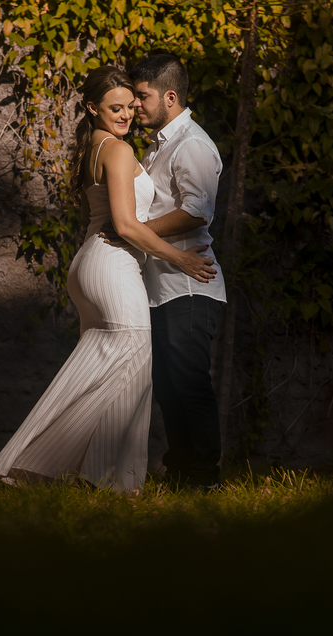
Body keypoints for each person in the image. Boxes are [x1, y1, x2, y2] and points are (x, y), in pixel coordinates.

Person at [0, 66, 216, 493]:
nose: (127, 115)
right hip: (112, 263)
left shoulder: (94, 146)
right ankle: (35, 463)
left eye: (131, 107)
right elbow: (127, 226)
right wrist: (181, 260)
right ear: (93, 108)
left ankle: (109, 478)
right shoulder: (118, 150)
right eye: (116, 108)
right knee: (129, 362)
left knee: (114, 367)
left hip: (94, 263)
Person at [130, 54, 227, 489]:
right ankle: (181, 471)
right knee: (168, 386)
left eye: (142, 96)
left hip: (190, 285)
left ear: (170, 96)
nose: (136, 105)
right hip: (161, 286)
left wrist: (136, 232)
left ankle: (205, 477)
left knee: (188, 384)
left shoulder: (191, 142)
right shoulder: (162, 143)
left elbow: (196, 211)